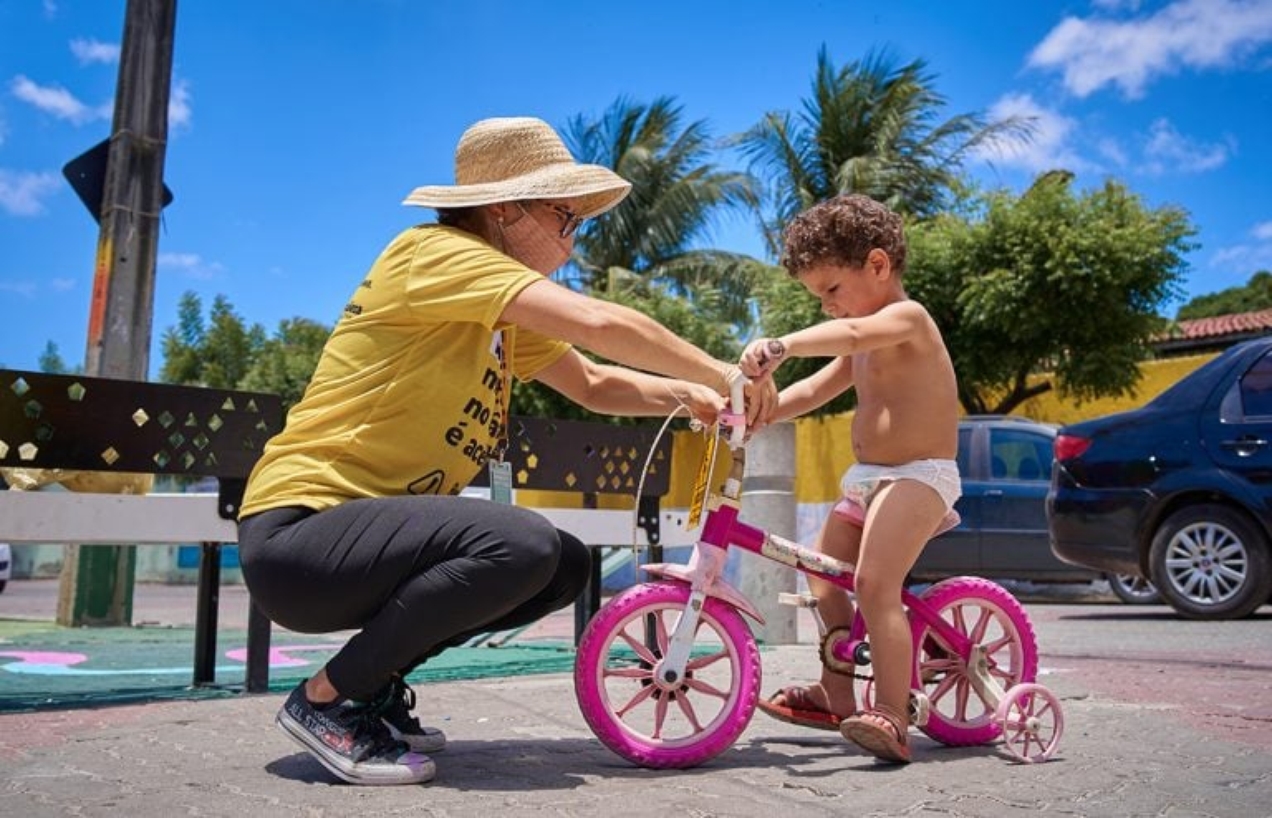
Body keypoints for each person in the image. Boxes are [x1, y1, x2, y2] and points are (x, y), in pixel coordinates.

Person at [237, 116, 768, 786]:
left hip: (356, 546)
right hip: (302, 535)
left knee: (564, 565)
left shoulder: (492, 311)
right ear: (505, 209)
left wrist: (688, 395)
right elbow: (600, 323)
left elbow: (593, 382)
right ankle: (327, 702)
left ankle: (369, 685)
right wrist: (724, 372)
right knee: (521, 545)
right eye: (564, 217)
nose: (573, 239)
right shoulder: (432, 255)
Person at [739, 193, 960, 764]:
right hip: (869, 480)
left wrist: (783, 345)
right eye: (818, 298)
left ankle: (890, 711)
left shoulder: (905, 320)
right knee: (822, 576)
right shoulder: (860, 336)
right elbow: (813, 391)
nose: (829, 308)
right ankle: (837, 694)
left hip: (919, 477)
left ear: (879, 265)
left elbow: (854, 337)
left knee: (874, 586)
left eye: (832, 291)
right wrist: (753, 413)